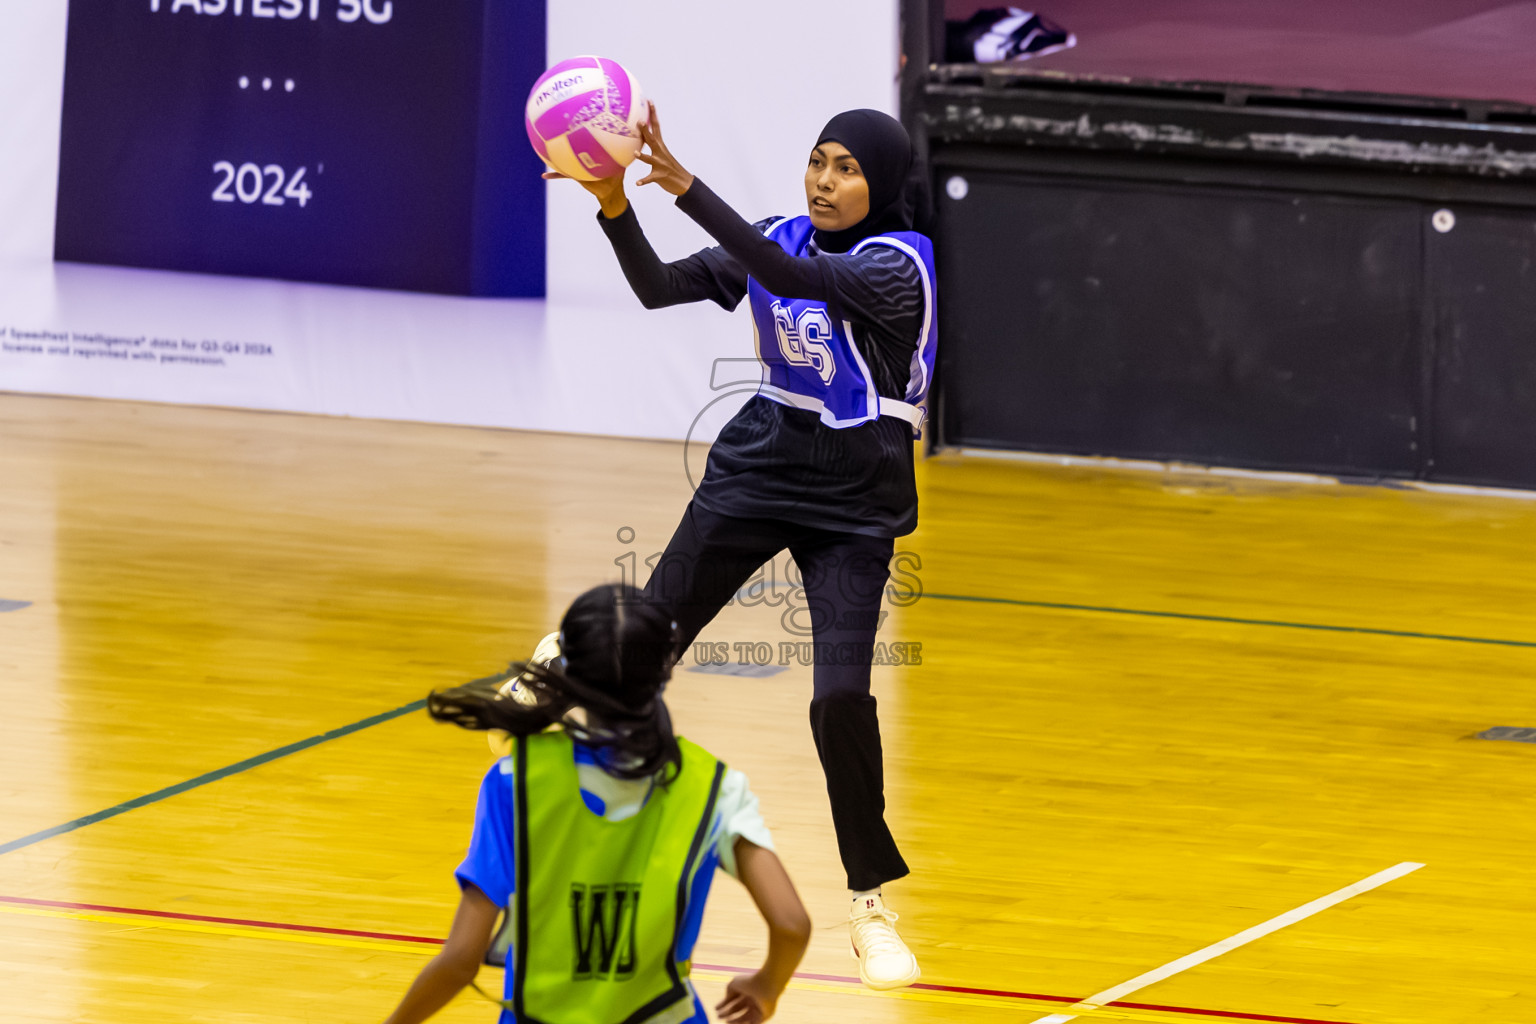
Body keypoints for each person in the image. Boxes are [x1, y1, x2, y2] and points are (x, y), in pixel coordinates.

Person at [545, 103, 935, 990]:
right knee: (644, 642)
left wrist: (684, 186)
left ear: (882, 184)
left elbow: (786, 275)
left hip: (855, 502)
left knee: (840, 700)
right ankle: (566, 700)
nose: (826, 181)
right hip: (760, 470)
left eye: (847, 169)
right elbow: (655, 287)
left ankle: (869, 904)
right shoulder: (777, 230)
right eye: (817, 162)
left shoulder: (900, 267)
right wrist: (614, 204)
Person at [379, 583, 811, 1024]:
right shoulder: (714, 787)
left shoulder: (514, 783)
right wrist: (766, 986)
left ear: (571, 677)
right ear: (664, 671)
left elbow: (460, 961)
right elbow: (792, 925)